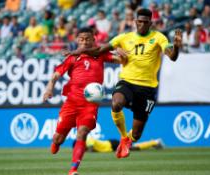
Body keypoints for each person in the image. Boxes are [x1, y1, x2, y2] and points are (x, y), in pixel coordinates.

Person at [63, 8, 182, 159]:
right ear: (135, 22)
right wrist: (78, 52)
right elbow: (99, 50)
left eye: (146, 22)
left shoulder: (159, 37)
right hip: (127, 82)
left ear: (150, 23)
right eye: (139, 22)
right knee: (116, 103)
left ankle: (129, 140)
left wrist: (176, 47)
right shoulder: (124, 37)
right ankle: (124, 137)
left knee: (137, 134)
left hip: (148, 88)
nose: (142, 25)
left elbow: (172, 57)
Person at [43, 27, 127, 175]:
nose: (84, 42)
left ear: (94, 40)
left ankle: (73, 170)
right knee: (58, 138)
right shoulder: (72, 58)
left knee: (82, 133)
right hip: (71, 103)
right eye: (81, 39)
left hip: (90, 104)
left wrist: (121, 52)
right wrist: (49, 88)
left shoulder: (100, 54)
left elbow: (121, 60)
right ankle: (56, 143)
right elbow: (56, 75)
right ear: (77, 40)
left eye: (87, 39)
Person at [73, 136, 165, 152]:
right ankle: (153, 143)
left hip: (112, 144)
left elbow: (91, 149)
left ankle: (155, 142)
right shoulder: (87, 141)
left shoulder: (88, 140)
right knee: (132, 146)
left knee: (132, 148)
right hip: (111, 146)